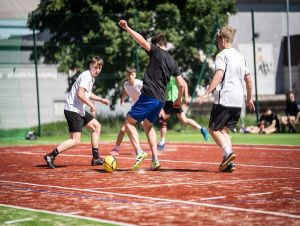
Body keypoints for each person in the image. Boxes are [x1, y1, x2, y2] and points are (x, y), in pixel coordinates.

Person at [119, 19, 185, 171]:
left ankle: (139, 152)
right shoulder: (173, 61)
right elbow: (182, 84)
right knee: (148, 125)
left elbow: (141, 41)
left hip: (149, 95)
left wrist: (128, 28)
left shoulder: (155, 50)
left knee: (128, 123)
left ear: (156, 44)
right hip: (161, 100)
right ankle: (155, 158)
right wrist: (178, 101)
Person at [198, 26, 255, 172]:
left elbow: (219, 75)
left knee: (212, 129)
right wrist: (249, 99)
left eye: (218, 41)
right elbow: (248, 80)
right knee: (224, 131)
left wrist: (206, 93)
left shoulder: (222, 55)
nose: (218, 45)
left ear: (223, 40)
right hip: (238, 100)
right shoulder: (241, 57)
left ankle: (228, 153)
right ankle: (229, 163)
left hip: (225, 98)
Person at [44, 56, 110, 169]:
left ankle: (95, 158)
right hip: (72, 110)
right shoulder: (86, 76)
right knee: (75, 140)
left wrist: (101, 99)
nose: (97, 70)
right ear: (90, 66)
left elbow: (87, 94)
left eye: (100, 68)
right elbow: (80, 94)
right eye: (95, 67)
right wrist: (91, 105)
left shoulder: (90, 77)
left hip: (78, 110)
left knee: (96, 126)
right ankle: (51, 155)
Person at [157, 76, 209, 151]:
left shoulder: (173, 73)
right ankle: (201, 129)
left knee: (163, 118)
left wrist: (186, 96)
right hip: (169, 100)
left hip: (173, 100)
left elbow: (184, 83)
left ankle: (162, 143)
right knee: (184, 120)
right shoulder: (164, 74)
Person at [110, 66, 143, 156]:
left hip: (144, 108)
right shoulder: (126, 84)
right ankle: (116, 149)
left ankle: (140, 150)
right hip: (135, 108)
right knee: (123, 129)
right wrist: (122, 100)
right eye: (128, 74)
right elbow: (126, 92)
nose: (130, 76)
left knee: (146, 128)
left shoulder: (140, 84)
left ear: (135, 75)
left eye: (132, 74)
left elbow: (149, 93)